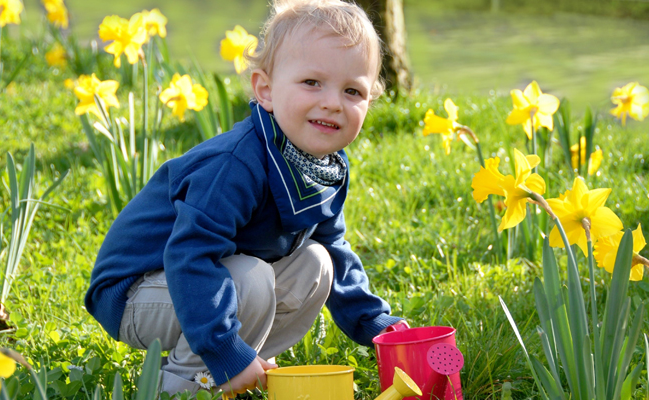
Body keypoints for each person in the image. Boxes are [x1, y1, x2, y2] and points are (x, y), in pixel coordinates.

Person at [84, 0, 407, 396]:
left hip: (201, 281)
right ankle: (184, 387)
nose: (332, 102)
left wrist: (377, 326)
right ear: (265, 90)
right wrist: (223, 347)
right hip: (137, 291)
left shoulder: (323, 167)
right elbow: (190, 256)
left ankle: (239, 368)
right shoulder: (235, 165)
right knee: (250, 279)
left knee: (316, 263)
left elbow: (335, 252)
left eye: (352, 90)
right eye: (312, 82)